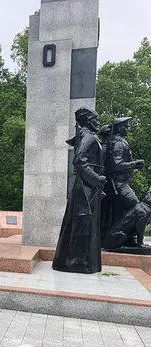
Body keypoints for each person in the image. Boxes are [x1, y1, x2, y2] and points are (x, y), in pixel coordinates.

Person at [53, 108, 105, 274]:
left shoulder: (85, 135)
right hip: (85, 187)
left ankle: (73, 261)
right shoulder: (89, 137)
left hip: (86, 186)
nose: (98, 122)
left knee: (81, 222)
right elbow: (80, 161)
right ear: (88, 120)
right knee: (83, 222)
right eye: (96, 119)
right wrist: (97, 179)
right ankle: (77, 262)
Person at [100, 117, 145, 245]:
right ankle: (122, 237)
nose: (128, 128)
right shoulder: (118, 143)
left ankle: (128, 238)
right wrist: (135, 163)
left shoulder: (119, 141)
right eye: (125, 126)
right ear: (119, 128)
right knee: (137, 207)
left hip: (122, 183)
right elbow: (116, 164)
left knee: (123, 212)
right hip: (119, 184)